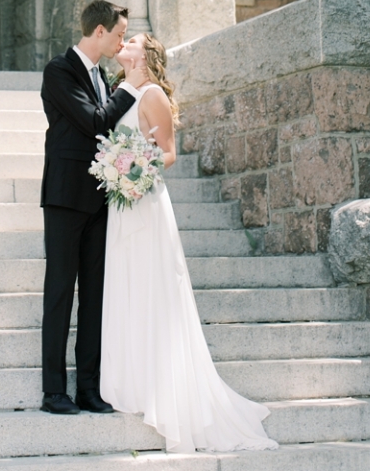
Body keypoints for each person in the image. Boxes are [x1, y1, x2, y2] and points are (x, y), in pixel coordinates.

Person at [100, 32, 279, 455]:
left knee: (152, 290)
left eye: (132, 41)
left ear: (144, 56)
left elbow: (169, 153)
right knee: (126, 287)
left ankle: (162, 387)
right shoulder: (118, 91)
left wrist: (133, 167)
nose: (123, 42)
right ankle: (131, 378)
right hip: (123, 204)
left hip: (144, 200)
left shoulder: (153, 95)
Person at [39, 0, 140, 415]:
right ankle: (53, 391)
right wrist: (132, 87)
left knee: (95, 297)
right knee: (60, 293)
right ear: (99, 31)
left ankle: (88, 388)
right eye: (118, 34)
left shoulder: (101, 76)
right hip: (64, 199)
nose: (121, 42)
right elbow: (94, 121)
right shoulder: (59, 71)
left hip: (100, 201)